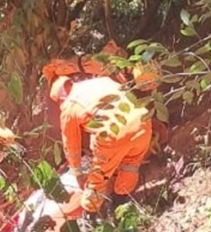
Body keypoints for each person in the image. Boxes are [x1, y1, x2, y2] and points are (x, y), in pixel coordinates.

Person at [49, 69, 158, 213]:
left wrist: (78, 174)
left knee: (98, 178)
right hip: (142, 121)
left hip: (113, 134)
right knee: (131, 165)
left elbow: (71, 146)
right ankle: (124, 201)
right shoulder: (102, 81)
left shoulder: (70, 107)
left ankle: (92, 213)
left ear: (61, 98)